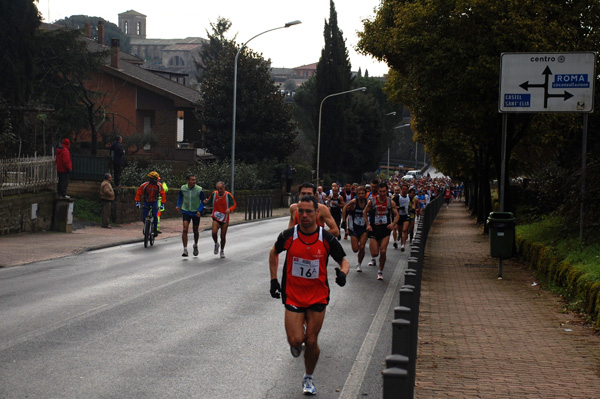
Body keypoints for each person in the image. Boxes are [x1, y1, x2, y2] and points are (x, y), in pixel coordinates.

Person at [269, 195, 350, 396]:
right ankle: (297, 344)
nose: (304, 215)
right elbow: (273, 252)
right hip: (293, 295)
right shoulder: (289, 235)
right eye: (301, 212)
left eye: (308, 212)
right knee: (296, 340)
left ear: (316, 213)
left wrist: (342, 274)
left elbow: (344, 261)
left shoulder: (326, 238)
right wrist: (273, 280)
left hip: (317, 296)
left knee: (311, 340)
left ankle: (308, 377)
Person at [363, 182, 400, 280]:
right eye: (380, 192)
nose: (382, 193)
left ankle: (380, 271)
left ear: (387, 191)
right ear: (378, 191)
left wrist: (393, 224)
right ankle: (374, 258)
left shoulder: (390, 202)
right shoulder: (372, 202)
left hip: (385, 230)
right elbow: (364, 212)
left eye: (384, 191)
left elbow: (397, 215)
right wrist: (368, 224)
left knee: (383, 251)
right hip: (374, 229)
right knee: (375, 253)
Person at [204, 181, 237, 258]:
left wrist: (230, 209)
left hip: (225, 218)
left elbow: (234, 204)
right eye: (218, 189)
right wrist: (205, 201)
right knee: (214, 232)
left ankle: (222, 250)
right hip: (216, 217)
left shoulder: (228, 195)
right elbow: (209, 201)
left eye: (221, 189)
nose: (219, 190)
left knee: (223, 235)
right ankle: (216, 243)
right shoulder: (214, 194)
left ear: (224, 188)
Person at [176, 174, 205, 257]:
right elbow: (180, 197)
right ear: (187, 181)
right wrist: (178, 205)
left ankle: (195, 245)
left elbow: (203, 201)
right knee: (185, 229)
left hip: (196, 212)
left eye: (195, 180)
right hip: (186, 210)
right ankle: (185, 249)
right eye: (192, 180)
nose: (194, 181)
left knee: (195, 230)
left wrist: (199, 210)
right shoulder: (183, 188)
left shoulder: (199, 189)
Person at [341, 185, 369, 272]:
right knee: (355, 249)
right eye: (359, 193)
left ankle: (359, 264)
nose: (361, 195)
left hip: (364, 228)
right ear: (357, 194)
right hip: (354, 228)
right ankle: (359, 259)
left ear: (365, 194)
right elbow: (345, 207)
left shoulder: (368, 202)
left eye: (362, 193)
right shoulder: (354, 201)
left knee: (362, 246)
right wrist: (344, 220)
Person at [134, 171, 166, 238]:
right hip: (147, 201)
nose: (158, 180)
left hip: (154, 201)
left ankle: (155, 229)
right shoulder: (144, 185)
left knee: (155, 215)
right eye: (156, 179)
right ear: (152, 179)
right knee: (144, 216)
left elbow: (163, 194)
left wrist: (162, 203)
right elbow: (138, 193)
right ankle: (146, 226)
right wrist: (137, 202)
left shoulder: (159, 185)